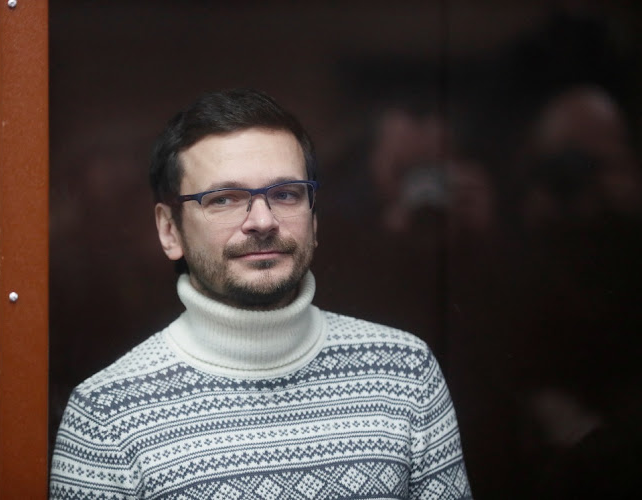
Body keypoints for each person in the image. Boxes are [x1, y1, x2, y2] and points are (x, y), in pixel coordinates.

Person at [50, 89, 471, 499]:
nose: (262, 221)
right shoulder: (106, 415)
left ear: (314, 216)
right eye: (224, 199)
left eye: (286, 194)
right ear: (169, 230)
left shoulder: (404, 373)